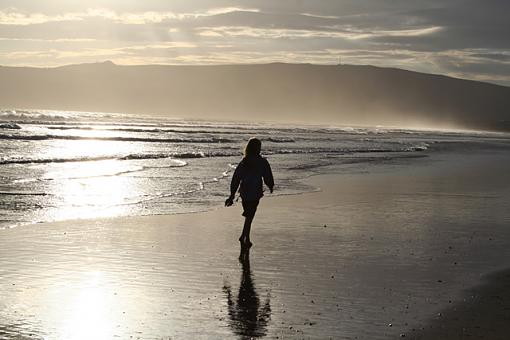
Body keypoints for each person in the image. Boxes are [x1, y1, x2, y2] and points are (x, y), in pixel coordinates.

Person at [225, 138, 274, 247]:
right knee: (250, 215)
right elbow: (267, 175)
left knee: (249, 214)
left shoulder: (244, 161)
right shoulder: (262, 162)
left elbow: (236, 179)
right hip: (255, 192)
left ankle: (244, 236)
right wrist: (270, 185)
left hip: (244, 192)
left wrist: (232, 194)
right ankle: (244, 237)